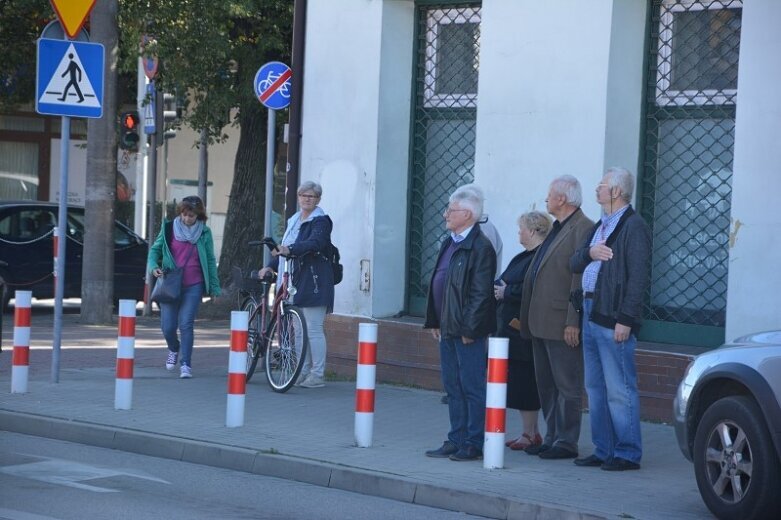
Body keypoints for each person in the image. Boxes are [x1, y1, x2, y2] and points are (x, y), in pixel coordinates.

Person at [570, 167, 651, 471]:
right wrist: (590, 253)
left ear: (616, 191)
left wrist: (626, 319)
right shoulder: (599, 226)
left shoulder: (634, 226)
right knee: (595, 386)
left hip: (614, 316)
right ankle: (604, 449)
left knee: (619, 387)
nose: (597, 190)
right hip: (589, 312)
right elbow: (574, 262)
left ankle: (627, 453)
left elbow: (638, 277)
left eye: (602, 185)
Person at [519, 175, 594, 460]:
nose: (547, 198)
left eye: (550, 195)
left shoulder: (583, 228)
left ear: (562, 199)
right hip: (540, 321)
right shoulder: (557, 227)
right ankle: (551, 436)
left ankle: (566, 440)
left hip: (562, 322)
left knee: (567, 385)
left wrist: (573, 320)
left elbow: (579, 277)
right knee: (546, 385)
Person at [424, 184, 496, 462]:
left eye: (450, 210)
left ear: (467, 214)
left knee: (472, 387)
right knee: (452, 386)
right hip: (447, 326)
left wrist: (470, 329)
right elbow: (438, 283)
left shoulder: (480, 246)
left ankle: (473, 442)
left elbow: (481, 294)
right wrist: (434, 319)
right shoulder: (450, 242)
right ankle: (456, 437)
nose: (445, 215)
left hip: (467, 331)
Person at [258, 181, 335, 389]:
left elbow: (314, 244)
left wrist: (289, 249)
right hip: (295, 279)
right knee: (298, 329)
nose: (307, 199)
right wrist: (270, 267)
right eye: (303, 195)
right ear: (299, 197)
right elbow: (285, 252)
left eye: (311, 196)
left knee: (314, 328)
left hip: (315, 279)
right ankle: (302, 371)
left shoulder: (321, 221)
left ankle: (317, 374)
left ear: (318, 199)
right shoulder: (294, 220)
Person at [495, 211, 552, 452]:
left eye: (521, 229)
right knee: (519, 383)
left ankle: (531, 433)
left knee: (527, 383)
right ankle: (529, 432)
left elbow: (534, 289)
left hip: (524, 333)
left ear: (532, 231)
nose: (518, 233)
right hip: (512, 332)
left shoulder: (540, 258)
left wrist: (507, 292)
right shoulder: (524, 256)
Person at [147, 195, 220, 379]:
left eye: (192, 216)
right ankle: (173, 348)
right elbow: (154, 251)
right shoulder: (169, 228)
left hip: (193, 285)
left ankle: (186, 363)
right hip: (171, 284)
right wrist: (154, 267)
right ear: (181, 212)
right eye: (185, 214)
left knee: (186, 323)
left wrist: (214, 287)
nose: (188, 219)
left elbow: (210, 260)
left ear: (199, 216)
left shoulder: (204, 232)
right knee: (168, 327)